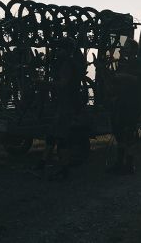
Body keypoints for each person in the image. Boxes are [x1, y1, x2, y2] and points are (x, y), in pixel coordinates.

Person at [32, 37, 86, 180]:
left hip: (66, 105)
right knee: (52, 135)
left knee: (62, 138)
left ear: (65, 50)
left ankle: (64, 169)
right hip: (65, 103)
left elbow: (63, 84)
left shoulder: (67, 64)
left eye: (60, 49)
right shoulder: (72, 62)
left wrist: (44, 83)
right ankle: (43, 163)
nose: (57, 52)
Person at [108, 38, 141, 175]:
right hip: (122, 102)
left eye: (127, 47)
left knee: (129, 133)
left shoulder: (140, 64)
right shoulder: (124, 63)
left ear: (133, 50)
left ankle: (129, 164)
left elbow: (139, 79)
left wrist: (123, 76)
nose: (124, 48)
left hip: (133, 103)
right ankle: (120, 162)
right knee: (119, 133)